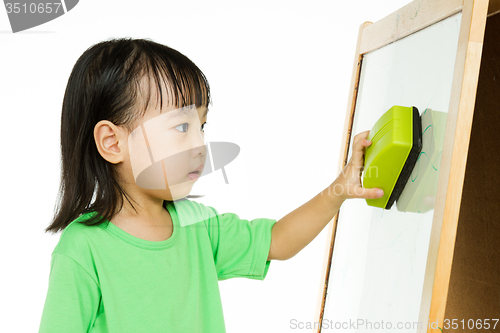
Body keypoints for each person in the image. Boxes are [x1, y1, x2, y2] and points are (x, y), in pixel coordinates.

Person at [38, 37, 384, 333]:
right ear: (113, 143)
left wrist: (341, 188)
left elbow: (277, 241)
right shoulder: (83, 248)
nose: (199, 145)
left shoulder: (196, 224)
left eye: (201, 126)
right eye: (180, 128)